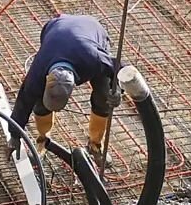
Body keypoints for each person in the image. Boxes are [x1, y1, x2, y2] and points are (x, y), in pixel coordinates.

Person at [10, 13, 122, 158]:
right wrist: (14, 135)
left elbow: (119, 67)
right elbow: (24, 101)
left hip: (92, 31)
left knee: (105, 96)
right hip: (56, 26)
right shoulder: (39, 69)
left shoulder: (93, 59)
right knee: (39, 102)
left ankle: (95, 144)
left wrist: (118, 89)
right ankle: (43, 139)